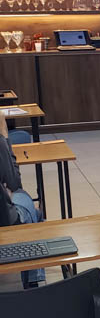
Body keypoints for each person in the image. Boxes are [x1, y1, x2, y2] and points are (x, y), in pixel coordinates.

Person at [0, 111, 45, 285]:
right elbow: (14, 182)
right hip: (5, 221)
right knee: (24, 198)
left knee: (32, 212)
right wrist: (5, 137)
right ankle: (33, 281)